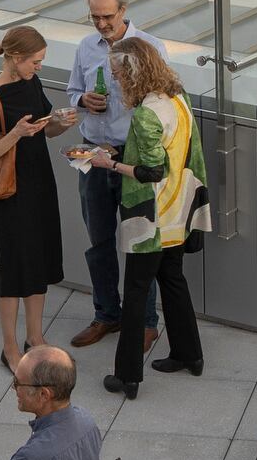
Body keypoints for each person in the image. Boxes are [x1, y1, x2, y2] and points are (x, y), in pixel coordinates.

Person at [74, 37, 207, 399]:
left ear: (133, 73)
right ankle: (189, 354)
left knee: (134, 294)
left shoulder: (148, 113)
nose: (115, 81)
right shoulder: (176, 97)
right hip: (179, 208)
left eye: (117, 74)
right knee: (173, 280)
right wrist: (120, 149)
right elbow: (171, 152)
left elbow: (150, 171)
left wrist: (109, 163)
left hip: (154, 217)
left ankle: (127, 377)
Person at [63, 0, 162, 353]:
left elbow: (162, 101)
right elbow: (72, 92)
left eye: (107, 16)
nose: (101, 23)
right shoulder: (85, 47)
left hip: (131, 156)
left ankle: (146, 321)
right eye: (95, 17)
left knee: (139, 240)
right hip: (92, 153)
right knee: (98, 239)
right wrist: (82, 99)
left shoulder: (148, 47)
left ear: (123, 11)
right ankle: (107, 314)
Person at [0, 26, 74, 370]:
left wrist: (61, 122)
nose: (39, 67)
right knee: (15, 267)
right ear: (15, 58)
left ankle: (35, 336)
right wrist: (15, 133)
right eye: (35, 61)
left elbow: (47, 129)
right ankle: (10, 347)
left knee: (39, 259)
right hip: (11, 191)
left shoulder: (32, 83)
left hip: (40, 182)